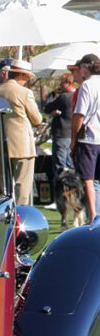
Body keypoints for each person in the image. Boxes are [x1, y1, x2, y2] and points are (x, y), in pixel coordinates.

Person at [0, 59, 43, 205]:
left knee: (3, 187)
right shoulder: (25, 93)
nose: (27, 81)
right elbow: (37, 119)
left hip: (1, 144)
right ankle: (20, 219)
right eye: (26, 77)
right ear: (20, 75)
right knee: (22, 187)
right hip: (22, 146)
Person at [71, 53, 100, 223]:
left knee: (88, 179)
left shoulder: (87, 85)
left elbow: (79, 114)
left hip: (89, 137)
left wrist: (73, 139)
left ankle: (93, 216)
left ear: (86, 67)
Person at [44, 73, 75, 179]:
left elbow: (47, 108)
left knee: (59, 166)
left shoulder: (64, 97)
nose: (60, 85)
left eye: (62, 83)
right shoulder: (77, 96)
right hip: (72, 135)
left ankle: (60, 190)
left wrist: (52, 94)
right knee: (70, 165)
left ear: (69, 83)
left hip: (61, 135)